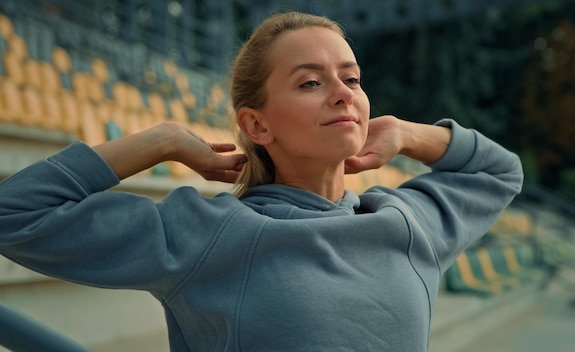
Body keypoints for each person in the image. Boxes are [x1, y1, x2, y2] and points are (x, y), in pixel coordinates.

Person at [0, 11, 523, 352]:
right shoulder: (209, 234)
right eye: (311, 82)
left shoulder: (407, 222)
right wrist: (159, 141)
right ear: (256, 125)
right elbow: (13, 213)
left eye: (353, 78)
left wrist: (407, 133)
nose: (343, 93)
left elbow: (500, 171)